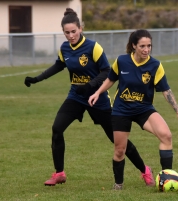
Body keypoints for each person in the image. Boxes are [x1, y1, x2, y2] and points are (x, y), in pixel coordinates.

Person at [24, 8, 155, 187]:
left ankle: (145, 170)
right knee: (57, 129)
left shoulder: (93, 47)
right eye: (66, 32)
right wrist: (37, 79)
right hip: (76, 97)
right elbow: (58, 66)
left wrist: (90, 86)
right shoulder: (64, 48)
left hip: (98, 98)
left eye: (73, 31)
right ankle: (59, 173)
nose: (70, 36)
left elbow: (107, 71)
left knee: (117, 141)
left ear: (81, 28)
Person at [88, 29, 178, 190]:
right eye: (142, 46)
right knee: (120, 150)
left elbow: (166, 90)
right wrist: (97, 93)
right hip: (121, 111)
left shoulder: (155, 65)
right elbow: (110, 79)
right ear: (134, 46)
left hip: (144, 109)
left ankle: (166, 177)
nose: (146, 49)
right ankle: (118, 184)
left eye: (149, 46)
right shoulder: (121, 61)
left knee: (166, 135)